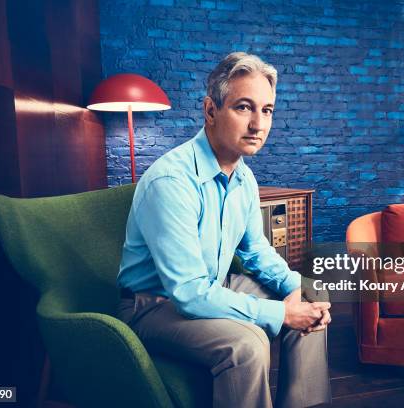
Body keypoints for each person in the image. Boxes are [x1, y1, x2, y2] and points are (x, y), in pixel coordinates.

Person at [116, 52, 332, 408]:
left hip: (212, 285)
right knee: (247, 346)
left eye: (267, 110)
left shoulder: (243, 176)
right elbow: (188, 292)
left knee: (309, 301)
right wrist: (280, 312)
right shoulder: (171, 181)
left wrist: (298, 286)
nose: (258, 125)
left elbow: (256, 251)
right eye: (244, 107)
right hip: (153, 306)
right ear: (211, 110)